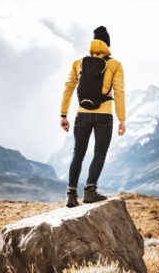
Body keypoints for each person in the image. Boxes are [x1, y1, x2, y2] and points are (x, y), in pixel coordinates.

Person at [59, 26, 126, 208]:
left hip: (82, 114)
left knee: (77, 154)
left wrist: (63, 114)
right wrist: (122, 119)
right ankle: (90, 191)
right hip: (103, 116)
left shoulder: (78, 63)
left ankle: (71, 195)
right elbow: (119, 92)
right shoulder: (115, 65)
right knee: (99, 153)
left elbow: (68, 88)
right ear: (108, 44)